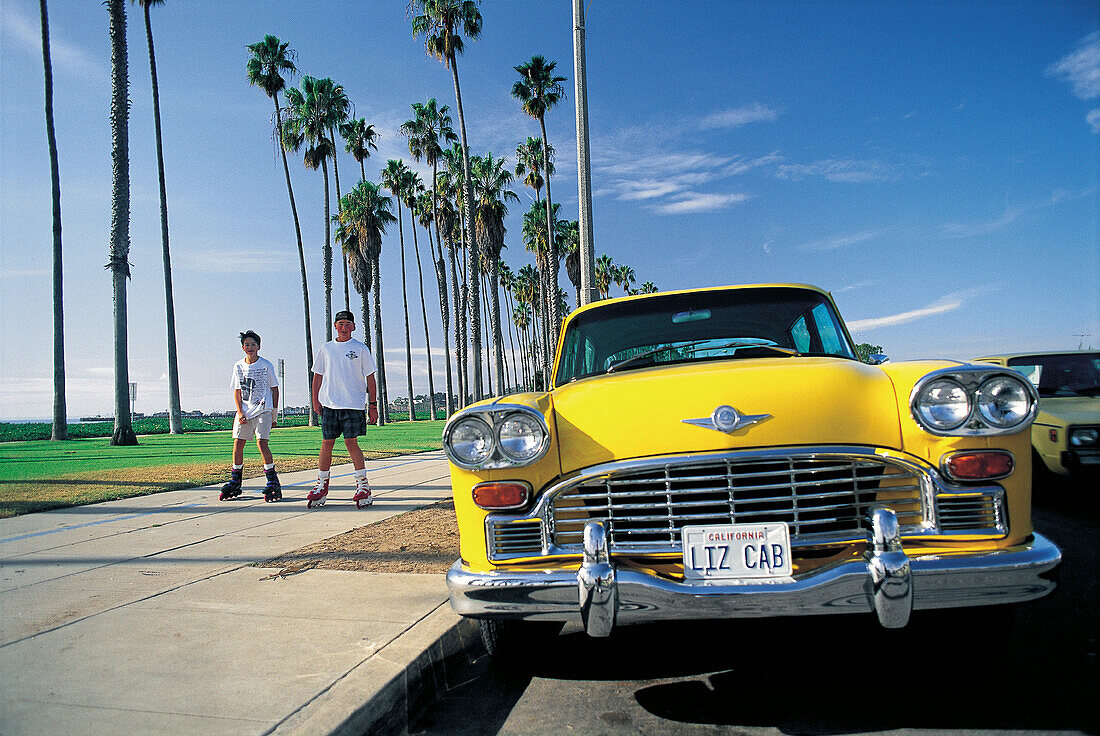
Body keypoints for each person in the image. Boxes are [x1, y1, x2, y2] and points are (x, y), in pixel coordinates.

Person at [308, 310, 379, 509]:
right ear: (335, 326)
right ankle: (321, 485)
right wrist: (315, 400)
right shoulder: (326, 348)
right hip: (330, 404)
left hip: (353, 405)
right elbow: (318, 376)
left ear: (354, 326)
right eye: (341, 324)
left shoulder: (360, 348)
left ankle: (363, 486)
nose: (344, 328)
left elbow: (370, 377)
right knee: (326, 444)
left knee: (351, 443)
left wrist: (372, 405)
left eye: (348, 324)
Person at [220, 330, 281, 502]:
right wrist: (239, 412)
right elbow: (237, 392)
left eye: (253, 344)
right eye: (247, 345)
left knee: (262, 443)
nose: (250, 347)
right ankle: (235, 480)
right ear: (242, 347)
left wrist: (274, 415)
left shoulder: (266, 365)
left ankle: (272, 480)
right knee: (238, 443)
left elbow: (275, 390)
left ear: (259, 347)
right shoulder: (238, 366)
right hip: (244, 412)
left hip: (263, 410)